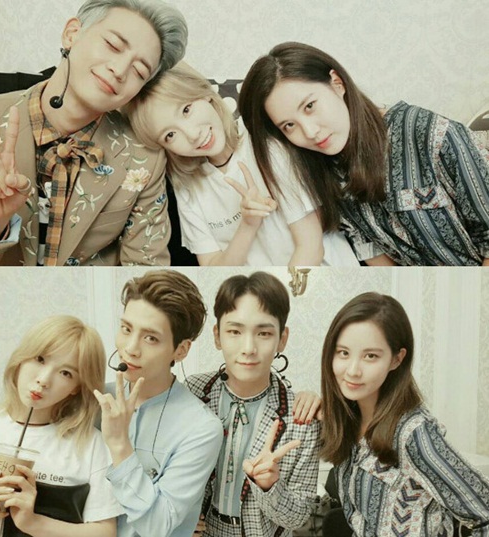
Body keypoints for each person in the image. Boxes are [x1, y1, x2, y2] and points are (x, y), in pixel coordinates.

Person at [0, 0, 188, 266]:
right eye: (112, 45)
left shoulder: (145, 159)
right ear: (72, 34)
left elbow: (148, 271)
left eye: (139, 71)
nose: (120, 70)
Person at [239, 42, 489, 266]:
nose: (310, 132)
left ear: (337, 83)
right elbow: (373, 254)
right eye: (289, 125)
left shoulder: (429, 133)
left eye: (310, 106)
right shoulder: (324, 172)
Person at [127, 62, 359, 266]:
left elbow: (311, 248)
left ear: (204, 94)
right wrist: (248, 225)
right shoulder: (187, 186)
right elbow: (212, 268)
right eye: (170, 135)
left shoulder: (265, 142)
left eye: (186, 110)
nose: (192, 135)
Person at [320, 292, 489, 536]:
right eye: (343, 353)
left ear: (396, 359)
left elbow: (484, 512)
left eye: (370, 356)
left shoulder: (414, 433)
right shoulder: (348, 421)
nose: (353, 370)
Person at [0, 315, 123, 537]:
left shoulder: (91, 444)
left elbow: (105, 533)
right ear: (22, 358)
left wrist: (34, 523)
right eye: (40, 359)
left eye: (66, 373)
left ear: (76, 387)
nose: (44, 380)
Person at [185, 271, 321, 536]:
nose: (248, 348)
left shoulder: (301, 417)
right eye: (234, 331)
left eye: (264, 333)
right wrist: (180, 522)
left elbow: (299, 517)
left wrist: (270, 486)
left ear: (282, 339)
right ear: (217, 336)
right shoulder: (193, 392)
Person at [94, 270, 224, 537]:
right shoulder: (95, 400)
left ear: (181, 350)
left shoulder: (202, 428)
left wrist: (119, 445)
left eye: (150, 338)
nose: (131, 348)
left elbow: (157, 526)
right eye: (126, 329)